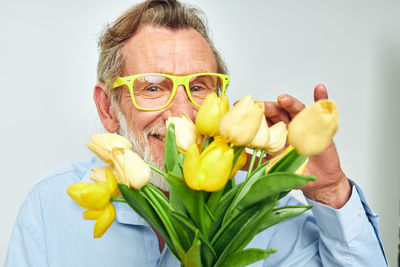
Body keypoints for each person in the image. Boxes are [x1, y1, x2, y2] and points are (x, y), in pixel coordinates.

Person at [5, 0, 388, 266]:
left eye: (200, 87)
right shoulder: (51, 208)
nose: (181, 113)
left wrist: (331, 192)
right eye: (153, 87)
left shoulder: (266, 209)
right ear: (108, 108)